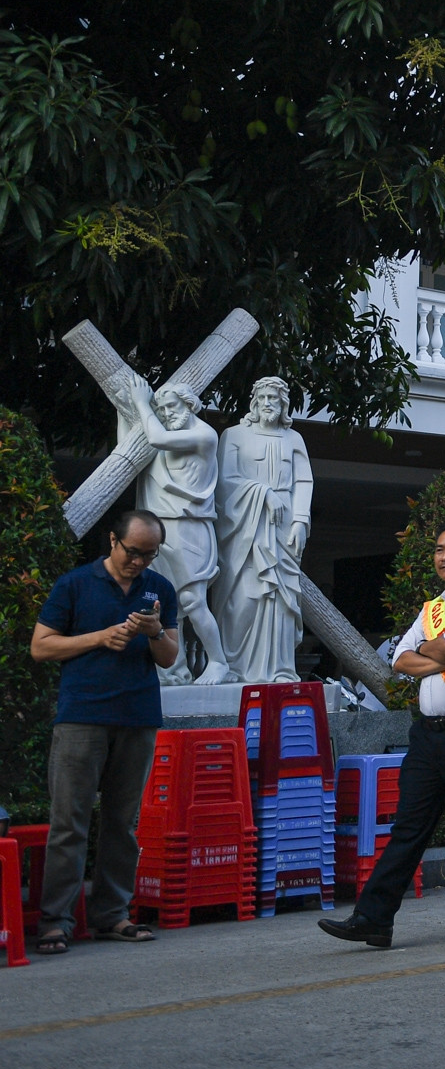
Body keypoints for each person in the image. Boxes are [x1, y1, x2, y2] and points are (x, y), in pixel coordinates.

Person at [320, 519, 445, 950]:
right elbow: (399, 662)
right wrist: (440, 657)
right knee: (408, 827)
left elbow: (437, 649)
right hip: (427, 735)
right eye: (440, 549)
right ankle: (374, 918)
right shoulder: (431, 610)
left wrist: (433, 652)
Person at [30, 509, 181, 953]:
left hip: (137, 716)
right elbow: (41, 646)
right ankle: (55, 921)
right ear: (112, 541)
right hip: (82, 716)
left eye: (149, 555)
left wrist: (154, 633)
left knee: (122, 823)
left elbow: (169, 657)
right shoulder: (74, 584)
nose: (139, 562)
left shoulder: (160, 589)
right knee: (69, 822)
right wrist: (100, 638)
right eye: (133, 552)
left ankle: (113, 914)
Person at [111, 377, 231, 684]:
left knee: (192, 600)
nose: (166, 413)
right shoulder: (164, 432)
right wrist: (123, 408)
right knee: (161, 601)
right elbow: (133, 446)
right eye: (161, 408)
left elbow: (156, 439)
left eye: (171, 406)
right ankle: (173, 670)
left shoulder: (203, 435)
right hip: (157, 527)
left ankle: (218, 662)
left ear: (190, 404)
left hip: (189, 527)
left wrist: (141, 401)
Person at [212, 376, 312, 683]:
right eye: (263, 398)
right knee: (243, 597)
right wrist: (261, 493)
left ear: (284, 405)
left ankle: (280, 669)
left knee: (281, 599)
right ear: (254, 403)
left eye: (275, 399)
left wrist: (300, 520)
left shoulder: (293, 439)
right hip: (244, 525)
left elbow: (304, 482)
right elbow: (224, 482)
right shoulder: (233, 435)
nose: (268, 403)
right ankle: (233, 666)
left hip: (282, 528)